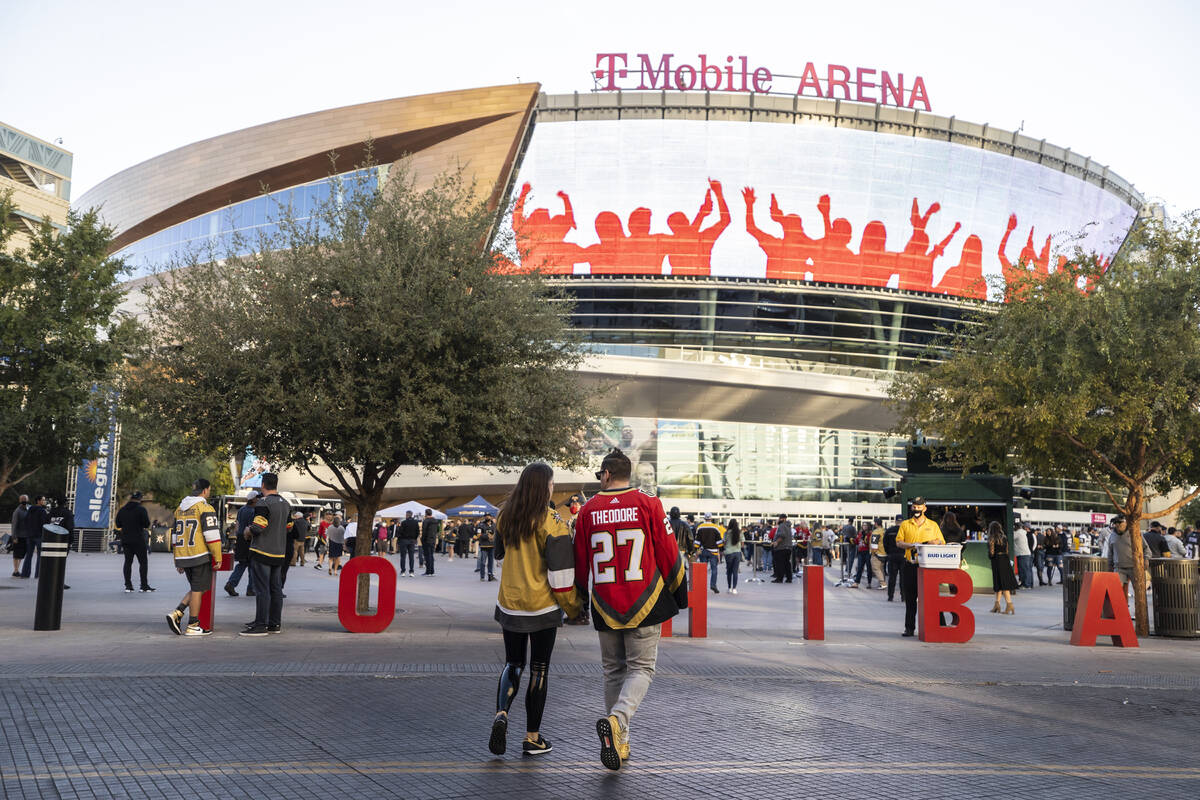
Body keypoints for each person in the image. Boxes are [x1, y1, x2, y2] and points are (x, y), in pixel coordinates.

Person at [574, 449, 687, 771]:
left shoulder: (588, 510)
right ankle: (617, 721)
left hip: (605, 601)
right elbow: (668, 552)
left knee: (613, 671)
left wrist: (580, 599)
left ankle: (621, 741)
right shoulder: (648, 503)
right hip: (645, 599)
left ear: (606, 474)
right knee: (641, 669)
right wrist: (679, 594)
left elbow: (581, 563)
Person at [488, 462, 582, 757]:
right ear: (545, 487)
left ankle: (501, 714)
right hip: (542, 607)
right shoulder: (553, 521)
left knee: (513, 663)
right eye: (552, 484)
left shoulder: (505, 515)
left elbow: (499, 552)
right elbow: (561, 577)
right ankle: (532, 737)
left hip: (510, 603)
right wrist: (575, 608)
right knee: (539, 670)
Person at [165, 479, 223, 636]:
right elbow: (211, 535)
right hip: (199, 554)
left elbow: (175, 536)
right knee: (198, 589)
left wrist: (177, 559)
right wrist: (218, 556)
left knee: (199, 588)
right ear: (204, 490)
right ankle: (193, 625)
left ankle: (178, 612)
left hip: (184, 554)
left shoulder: (180, 509)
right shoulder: (204, 507)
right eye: (209, 490)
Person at [240, 472, 290, 636]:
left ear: (263, 485)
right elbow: (290, 526)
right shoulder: (285, 503)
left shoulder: (263, 503)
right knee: (275, 589)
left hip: (262, 551)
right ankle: (274, 624)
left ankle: (261, 625)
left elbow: (258, 527)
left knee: (262, 590)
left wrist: (248, 530)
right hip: (279, 552)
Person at [895, 497, 944, 637]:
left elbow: (941, 541)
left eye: (919, 507)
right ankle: (909, 628)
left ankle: (941, 626)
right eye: (914, 507)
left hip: (928, 566)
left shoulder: (933, 525)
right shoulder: (905, 524)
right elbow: (899, 542)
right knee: (910, 598)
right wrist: (912, 545)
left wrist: (933, 542)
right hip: (910, 564)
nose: (916, 509)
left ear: (925, 508)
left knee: (932, 597)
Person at [116, 491, 155, 592]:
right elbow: (146, 524)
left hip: (126, 539)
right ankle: (144, 586)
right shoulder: (141, 509)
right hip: (138, 539)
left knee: (128, 562)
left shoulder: (122, 510)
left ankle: (128, 586)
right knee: (143, 563)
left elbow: (118, 524)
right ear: (139, 498)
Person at [225, 492, 260, 597]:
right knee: (252, 565)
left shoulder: (241, 510)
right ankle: (251, 589)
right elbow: (250, 528)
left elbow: (238, 525)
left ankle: (231, 583)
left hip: (240, 539)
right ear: (253, 499)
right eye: (257, 498)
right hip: (248, 539)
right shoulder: (253, 511)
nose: (259, 500)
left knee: (242, 564)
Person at [987, 521, 1017, 614]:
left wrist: (991, 556)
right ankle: (997, 605)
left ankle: (1009, 604)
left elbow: (991, 553)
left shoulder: (992, 538)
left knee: (1001, 584)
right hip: (1005, 560)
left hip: (997, 561)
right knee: (1001, 583)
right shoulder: (1004, 538)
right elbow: (1007, 550)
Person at [18, 495, 49, 579]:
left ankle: (25, 573)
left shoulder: (30, 510)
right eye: (43, 500)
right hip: (39, 535)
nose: (44, 501)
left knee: (29, 555)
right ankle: (38, 574)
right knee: (39, 555)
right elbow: (44, 523)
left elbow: (25, 521)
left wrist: (28, 531)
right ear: (38, 501)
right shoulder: (42, 511)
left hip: (30, 535)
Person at [693, 513, 725, 593]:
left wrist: (695, 550)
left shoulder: (700, 527)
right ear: (711, 518)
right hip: (713, 552)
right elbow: (719, 541)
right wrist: (721, 549)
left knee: (703, 570)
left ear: (704, 518)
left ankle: (701, 586)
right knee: (714, 569)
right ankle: (713, 585)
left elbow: (697, 541)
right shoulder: (716, 527)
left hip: (703, 551)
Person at [883, 515, 902, 601]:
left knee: (892, 577)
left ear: (895, 521)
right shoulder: (905, 531)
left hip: (892, 556)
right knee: (903, 578)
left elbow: (885, 543)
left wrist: (889, 553)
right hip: (903, 556)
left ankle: (890, 596)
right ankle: (904, 597)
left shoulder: (889, 531)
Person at [10, 495, 30, 578]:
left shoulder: (29, 509)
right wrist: (14, 537)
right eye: (22, 499)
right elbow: (14, 525)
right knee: (16, 554)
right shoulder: (17, 511)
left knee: (22, 554)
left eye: (25, 499)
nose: (24, 500)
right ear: (19, 500)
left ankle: (18, 569)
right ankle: (15, 570)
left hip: (26, 536)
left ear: (28, 500)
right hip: (18, 536)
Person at [771, 514, 793, 583]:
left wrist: (776, 542)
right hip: (788, 547)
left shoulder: (782, 526)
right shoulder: (788, 526)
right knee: (787, 563)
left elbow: (782, 535)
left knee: (780, 564)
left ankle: (779, 578)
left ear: (782, 519)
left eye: (779, 518)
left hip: (781, 548)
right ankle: (789, 578)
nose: (778, 520)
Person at [396, 510, 420, 576]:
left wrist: (400, 539)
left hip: (404, 540)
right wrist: (414, 538)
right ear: (411, 515)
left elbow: (400, 532)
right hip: (412, 541)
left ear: (407, 515)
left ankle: (403, 571)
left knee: (403, 556)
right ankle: (411, 571)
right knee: (411, 557)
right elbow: (417, 532)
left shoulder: (403, 522)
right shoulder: (415, 522)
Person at [722, 519, 743, 594]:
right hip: (737, 553)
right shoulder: (740, 532)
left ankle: (729, 587)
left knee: (729, 571)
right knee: (735, 571)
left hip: (728, 553)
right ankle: (734, 588)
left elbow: (723, 543)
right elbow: (742, 542)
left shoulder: (726, 533)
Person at [1012, 518, 1033, 589]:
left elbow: (1010, 537)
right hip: (1024, 553)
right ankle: (1025, 584)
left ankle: (1026, 584)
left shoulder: (1018, 532)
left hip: (1023, 554)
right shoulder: (1022, 532)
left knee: (1024, 570)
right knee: (1023, 570)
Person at [475, 515, 497, 582]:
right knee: (483, 562)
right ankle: (482, 576)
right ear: (484, 517)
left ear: (491, 517)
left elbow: (497, 533)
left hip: (492, 546)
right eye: (486, 516)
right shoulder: (480, 525)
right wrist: (487, 536)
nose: (488, 517)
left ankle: (490, 575)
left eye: (489, 516)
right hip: (484, 546)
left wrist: (494, 536)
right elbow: (478, 535)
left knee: (491, 562)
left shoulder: (494, 525)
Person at [420, 509, 439, 575]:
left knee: (427, 556)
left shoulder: (426, 521)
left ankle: (428, 571)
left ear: (426, 513)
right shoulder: (436, 520)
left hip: (427, 540)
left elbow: (424, 531)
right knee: (431, 555)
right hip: (433, 539)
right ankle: (432, 571)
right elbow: (437, 530)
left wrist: (422, 539)